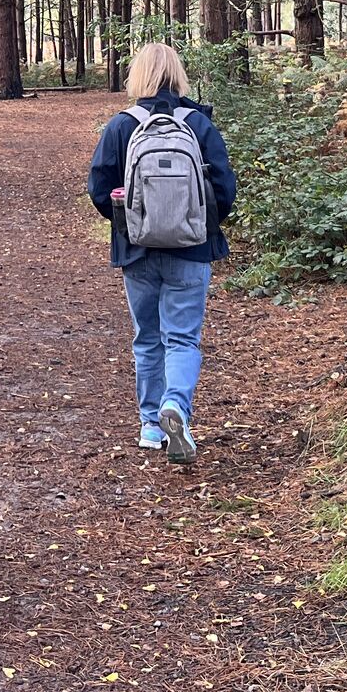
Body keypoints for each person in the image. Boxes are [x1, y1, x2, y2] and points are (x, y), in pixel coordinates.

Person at [86, 42, 236, 466]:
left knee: (147, 339)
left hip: (137, 252)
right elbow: (224, 189)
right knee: (183, 338)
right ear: (177, 75)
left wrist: (129, 223)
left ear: (138, 75)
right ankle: (177, 408)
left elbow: (99, 188)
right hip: (192, 249)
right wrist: (200, 223)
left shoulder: (121, 126)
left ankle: (152, 425)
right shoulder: (198, 125)